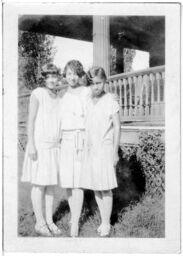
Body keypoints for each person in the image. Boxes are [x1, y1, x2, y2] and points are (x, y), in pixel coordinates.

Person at [21, 63, 62, 236]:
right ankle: (39, 222)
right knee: (39, 184)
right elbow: (30, 120)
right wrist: (31, 143)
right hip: (40, 145)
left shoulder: (58, 96)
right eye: (49, 76)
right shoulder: (37, 94)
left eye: (55, 76)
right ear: (44, 78)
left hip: (54, 145)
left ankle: (49, 220)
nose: (52, 80)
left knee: (51, 185)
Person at [80, 66, 121, 237]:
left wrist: (115, 151)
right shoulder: (88, 100)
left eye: (99, 83)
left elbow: (118, 126)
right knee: (97, 186)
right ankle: (103, 220)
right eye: (92, 84)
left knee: (105, 187)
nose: (96, 86)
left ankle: (106, 223)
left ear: (105, 81)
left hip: (105, 148)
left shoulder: (110, 100)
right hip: (91, 149)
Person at [59, 60, 91, 237]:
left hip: (80, 138)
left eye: (75, 73)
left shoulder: (86, 92)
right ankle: (73, 215)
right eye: (68, 73)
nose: (71, 77)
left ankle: (75, 224)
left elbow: (94, 109)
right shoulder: (63, 95)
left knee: (77, 182)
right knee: (68, 182)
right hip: (66, 140)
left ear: (80, 75)